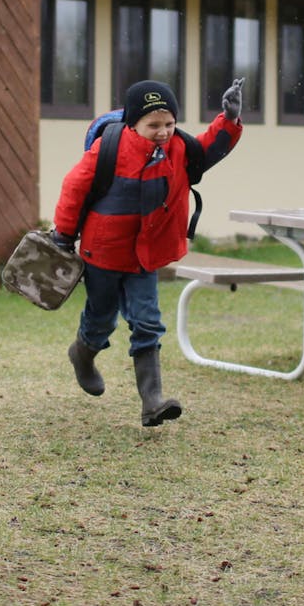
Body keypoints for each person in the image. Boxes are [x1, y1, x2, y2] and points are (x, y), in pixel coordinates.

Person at [51, 78, 243, 426]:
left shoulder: (180, 149)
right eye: (153, 125)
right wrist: (63, 235)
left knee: (147, 322)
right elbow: (73, 188)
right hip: (104, 254)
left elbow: (210, 148)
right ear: (132, 123)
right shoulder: (108, 150)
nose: (163, 132)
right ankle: (82, 353)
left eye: (169, 123)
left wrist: (228, 119)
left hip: (144, 258)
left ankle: (152, 401)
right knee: (101, 318)